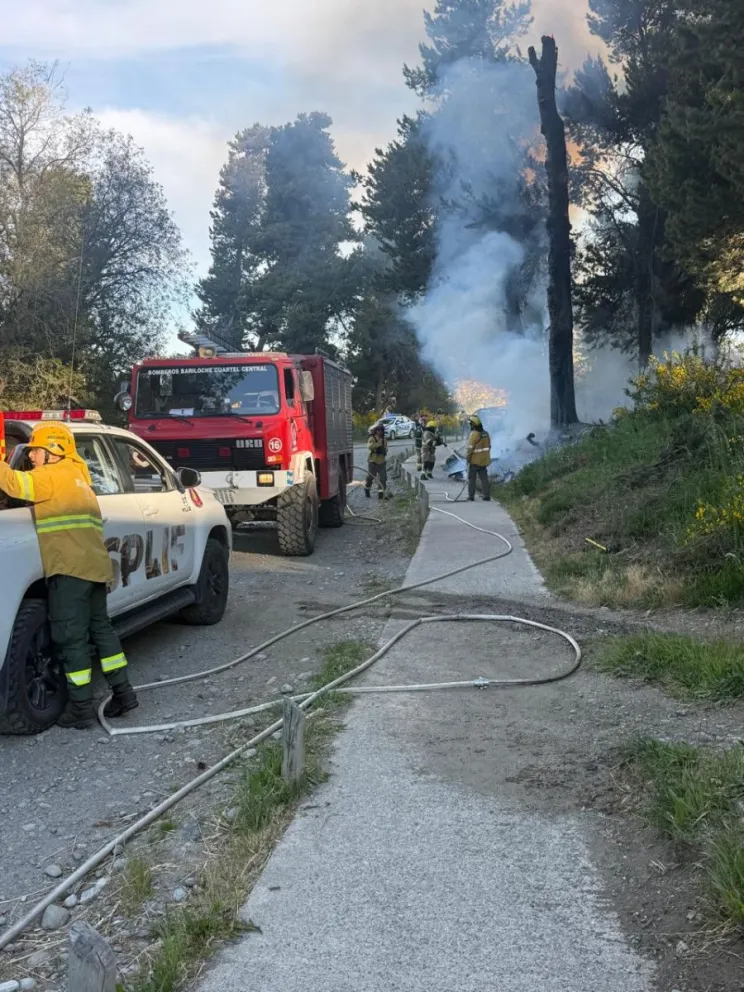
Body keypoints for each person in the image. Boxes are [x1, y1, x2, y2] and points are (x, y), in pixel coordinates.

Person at [0, 422, 139, 729]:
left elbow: (13, 484)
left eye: (36, 451)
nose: (31, 456)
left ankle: (81, 708)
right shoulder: (79, 477)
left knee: (70, 638)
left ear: (53, 451)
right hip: (95, 568)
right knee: (101, 631)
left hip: (70, 571)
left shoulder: (49, 476)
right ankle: (124, 693)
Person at [466, 414, 492, 502]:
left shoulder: (474, 434)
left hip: (474, 461)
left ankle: (471, 497)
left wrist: (468, 459)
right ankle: (487, 496)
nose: (470, 426)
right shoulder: (486, 434)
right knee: (484, 479)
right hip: (484, 461)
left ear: (473, 424)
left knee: (471, 479)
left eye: (470, 424)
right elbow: (489, 446)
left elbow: (470, 449)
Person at [364, 424, 388, 499]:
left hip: (382, 461)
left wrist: (385, 450)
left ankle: (381, 494)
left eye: (381, 430)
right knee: (370, 477)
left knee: (383, 478)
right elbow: (369, 446)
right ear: (376, 431)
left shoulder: (384, 439)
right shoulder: (372, 438)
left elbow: (386, 448)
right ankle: (367, 488)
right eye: (378, 430)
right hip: (373, 461)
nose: (380, 432)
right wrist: (378, 444)